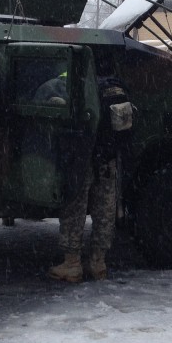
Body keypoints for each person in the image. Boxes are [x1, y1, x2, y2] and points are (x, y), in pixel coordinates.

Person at [47, 67, 132, 284]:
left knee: (75, 205)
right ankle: (98, 263)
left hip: (82, 155)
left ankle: (72, 264)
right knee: (105, 208)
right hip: (108, 155)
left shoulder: (71, 81)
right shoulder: (114, 85)